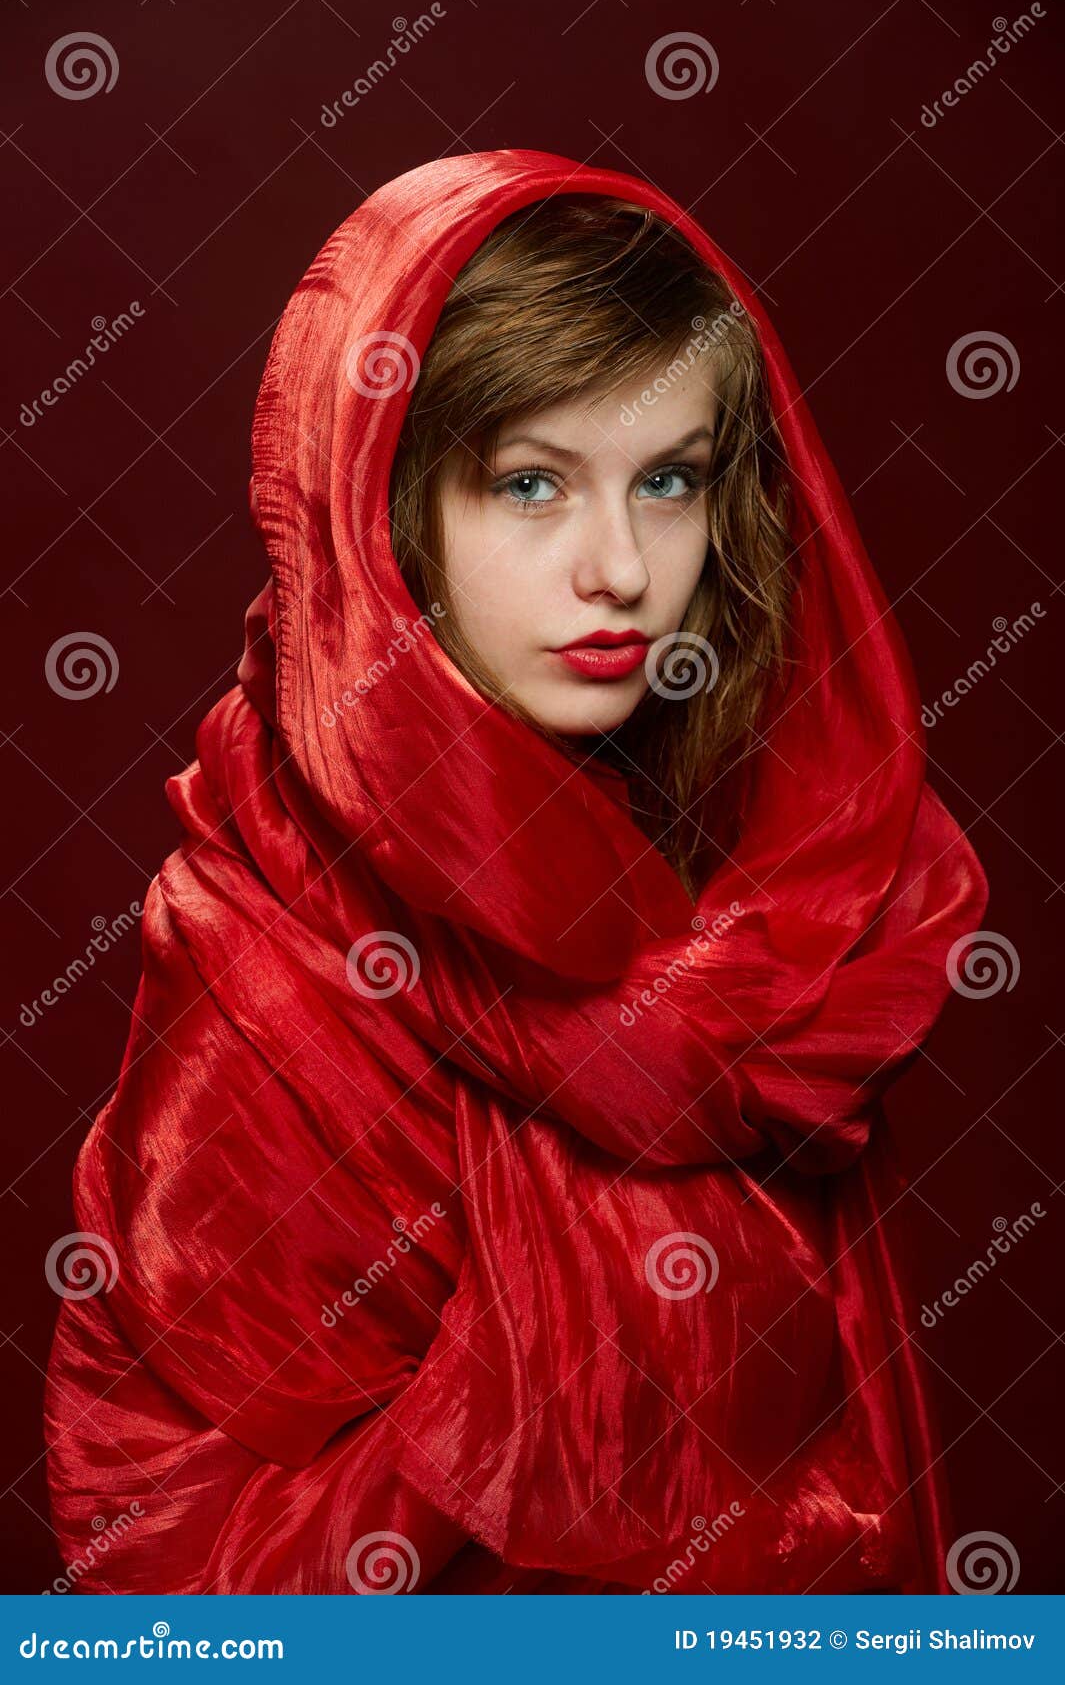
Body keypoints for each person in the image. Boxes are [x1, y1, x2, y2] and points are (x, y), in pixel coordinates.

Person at [43, 149, 987, 1595]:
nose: (617, 566)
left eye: (667, 480)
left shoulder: (766, 907)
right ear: (382, 507)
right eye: (532, 484)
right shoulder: (269, 970)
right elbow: (183, 1558)